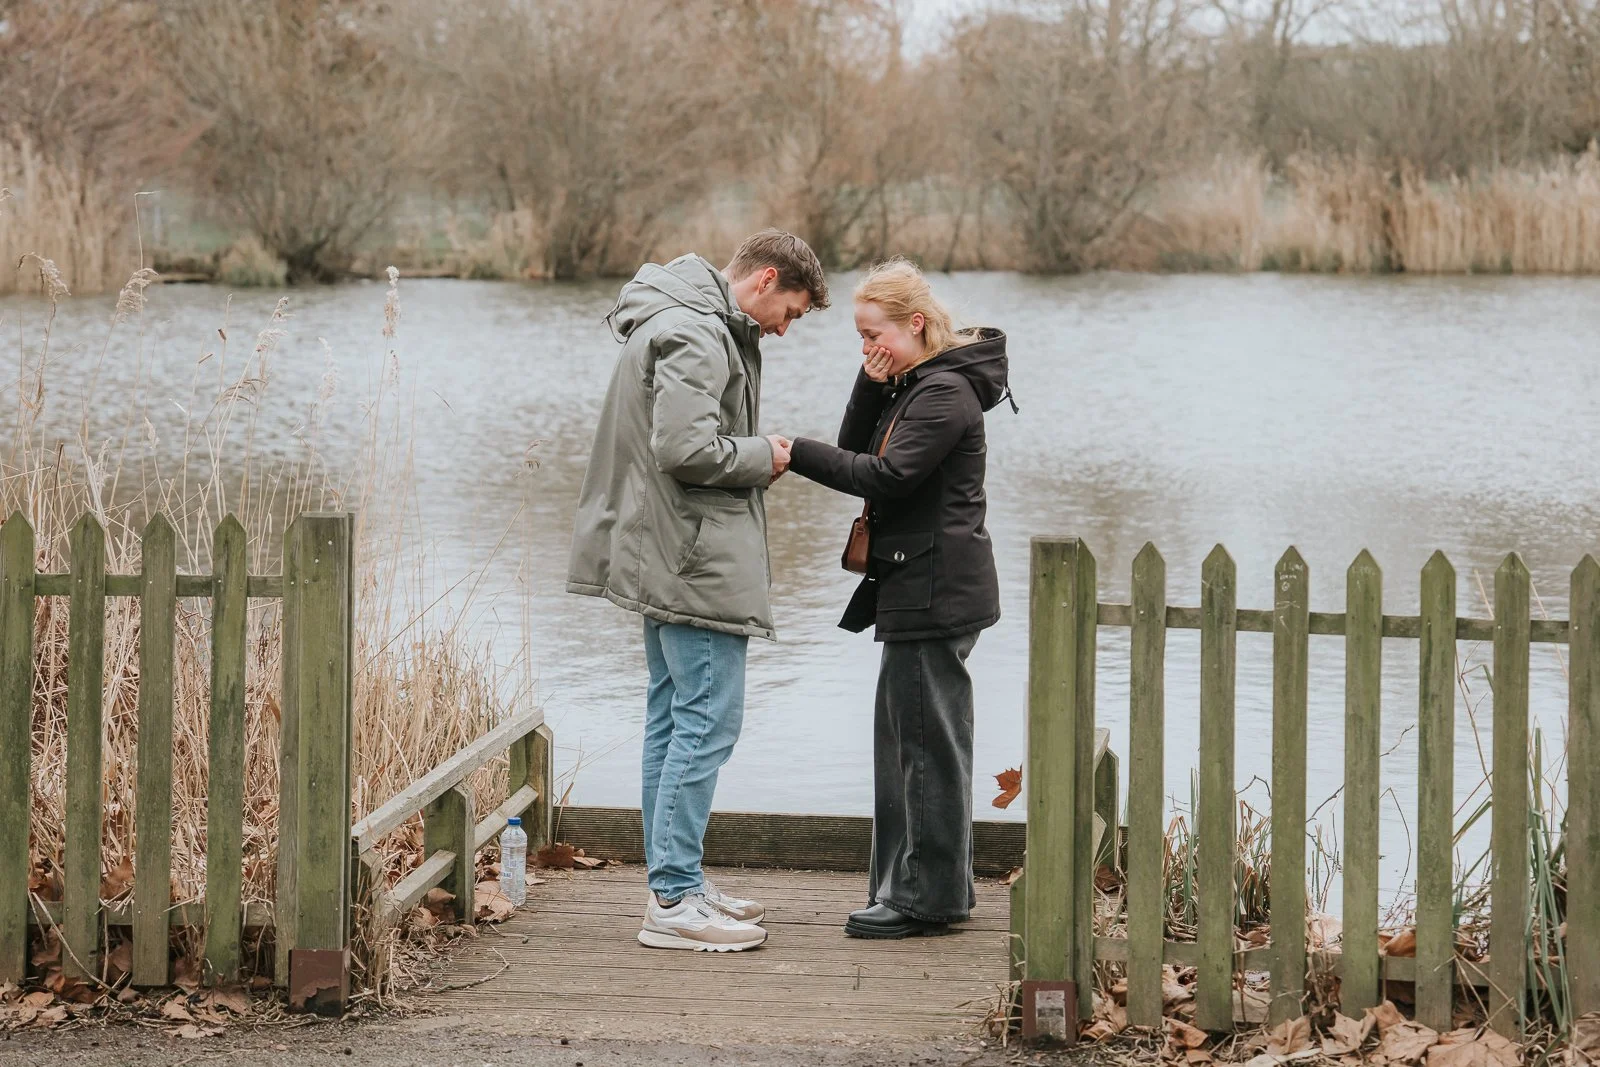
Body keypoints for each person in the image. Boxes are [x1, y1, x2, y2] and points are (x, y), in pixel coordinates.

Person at [567, 230, 829, 952]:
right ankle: (674, 900)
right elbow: (684, 449)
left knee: (671, 716)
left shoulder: (679, 315)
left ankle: (676, 879)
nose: (786, 327)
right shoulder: (698, 332)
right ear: (766, 279)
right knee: (707, 720)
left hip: (668, 548)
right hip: (692, 556)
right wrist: (766, 455)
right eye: (792, 312)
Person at [785, 258, 1010, 939]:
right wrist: (870, 377)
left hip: (935, 592)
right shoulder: (917, 383)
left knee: (924, 748)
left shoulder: (943, 394)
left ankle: (921, 898)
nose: (866, 346)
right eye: (858, 338)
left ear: (915, 323)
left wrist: (790, 449)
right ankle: (922, 887)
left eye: (872, 335)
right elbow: (856, 445)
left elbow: (886, 475)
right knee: (912, 741)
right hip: (922, 587)